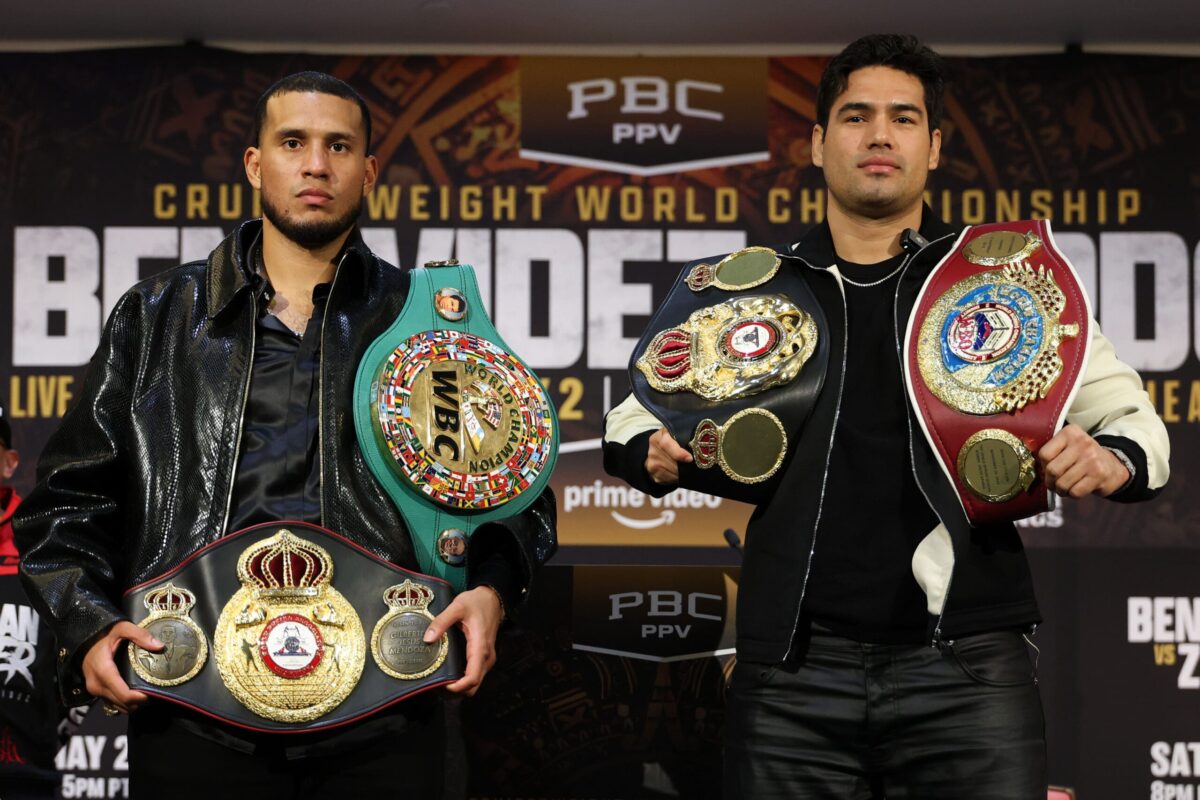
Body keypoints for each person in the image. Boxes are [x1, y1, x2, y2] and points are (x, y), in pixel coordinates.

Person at [603, 35, 1169, 799]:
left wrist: (1111, 459)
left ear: (933, 148)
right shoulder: (754, 295)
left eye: (903, 119)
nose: (878, 135)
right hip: (794, 674)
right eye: (855, 116)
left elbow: (1136, 424)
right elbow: (629, 419)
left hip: (966, 669)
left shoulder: (1007, 285)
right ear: (817, 142)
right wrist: (652, 455)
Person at [15, 71, 556, 797]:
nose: (315, 165)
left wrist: (490, 588)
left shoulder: (428, 320)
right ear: (254, 163)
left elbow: (515, 493)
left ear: (366, 172)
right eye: (292, 142)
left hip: (390, 709)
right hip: (191, 710)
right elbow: (68, 503)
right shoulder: (156, 318)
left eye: (338, 147)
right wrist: (88, 623)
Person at [1, 399, 64, 800]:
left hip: (24, 777)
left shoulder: (44, 547)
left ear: (9, 463)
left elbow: (84, 652)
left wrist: (48, 729)